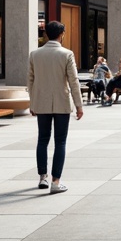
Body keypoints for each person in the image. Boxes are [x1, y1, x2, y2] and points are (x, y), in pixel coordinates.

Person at [28, 21, 83, 194]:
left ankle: (42, 177)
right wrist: (79, 105)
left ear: (46, 35)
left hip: (41, 103)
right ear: (62, 34)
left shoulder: (35, 54)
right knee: (60, 142)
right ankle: (56, 182)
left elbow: (30, 80)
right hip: (62, 103)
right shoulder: (67, 54)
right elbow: (74, 81)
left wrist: (33, 102)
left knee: (42, 140)